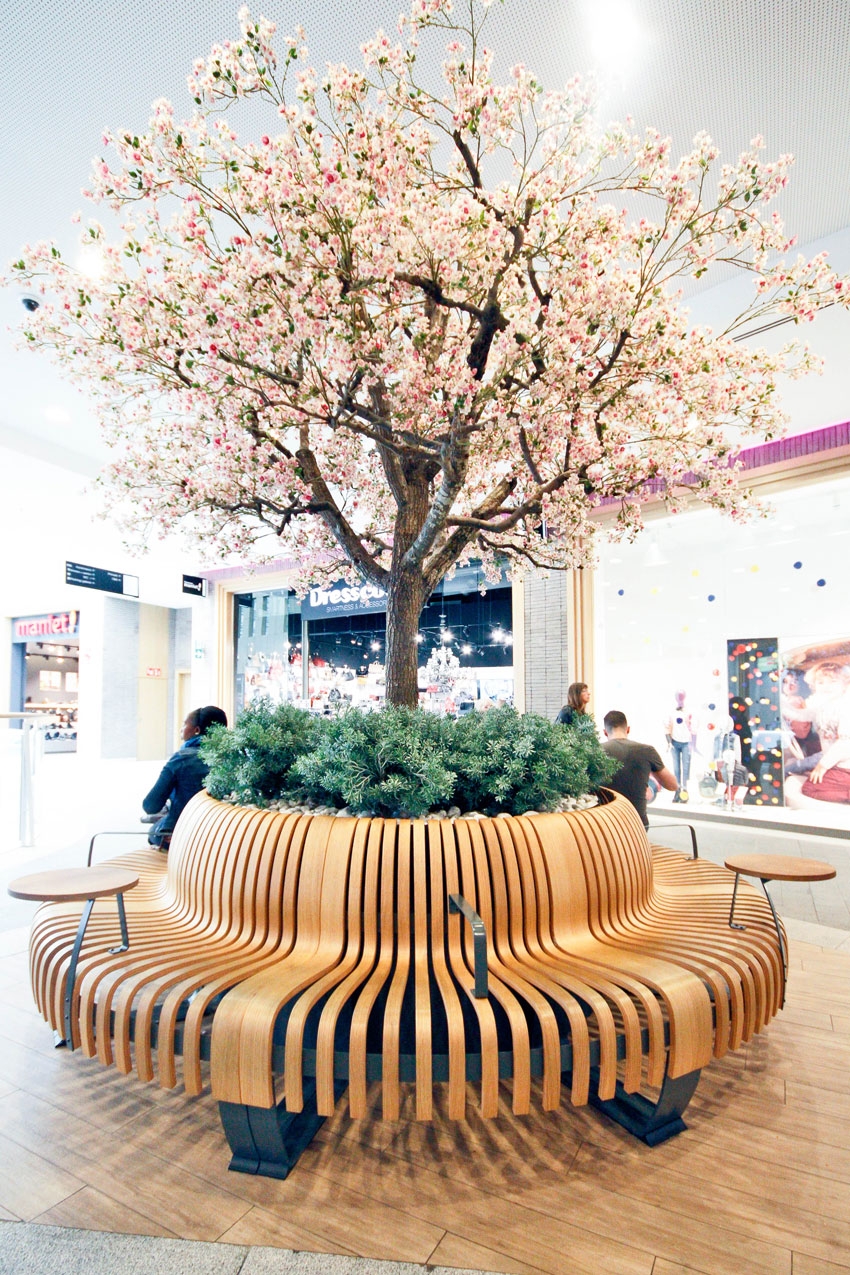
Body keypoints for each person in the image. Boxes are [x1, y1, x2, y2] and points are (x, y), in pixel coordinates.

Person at [142, 705, 228, 848]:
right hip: (220, 837)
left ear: (197, 730)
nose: (181, 728)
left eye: (184, 724)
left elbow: (150, 805)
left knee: (153, 832)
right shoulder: (233, 758)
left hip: (185, 838)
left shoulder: (181, 759)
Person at [602, 710, 678, 828]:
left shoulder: (595, 752)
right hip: (637, 827)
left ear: (605, 732)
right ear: (628, 729)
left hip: (604, 825)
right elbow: (672, 785)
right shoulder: (647, 751)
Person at [664, 689, 694, 803]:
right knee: (676, 769)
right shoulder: (671, 712)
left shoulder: (689, 711)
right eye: (678, 696)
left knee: (686, 768)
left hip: (686, 742)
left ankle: (684, 793)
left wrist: (693, 744)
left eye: (681, 696)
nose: (680, 698)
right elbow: (666, 728)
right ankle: (677, 792)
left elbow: (693, 727)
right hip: (674, 742)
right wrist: (669, 742)